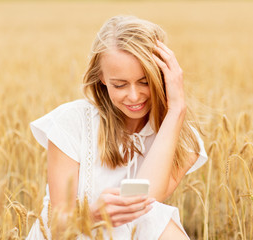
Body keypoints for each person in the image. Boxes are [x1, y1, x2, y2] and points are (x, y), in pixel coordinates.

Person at [26, 15, 207, 240]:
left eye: (145, 82)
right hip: (71, 235)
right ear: (101, 77)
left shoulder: (183, 139)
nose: (133, 96)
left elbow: (143, 203)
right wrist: (92, 215)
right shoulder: (71, 122)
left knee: (155, 216)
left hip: (134, 232)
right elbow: (57, 226)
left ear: (164, 75)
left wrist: (176, 110)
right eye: (119, 84)